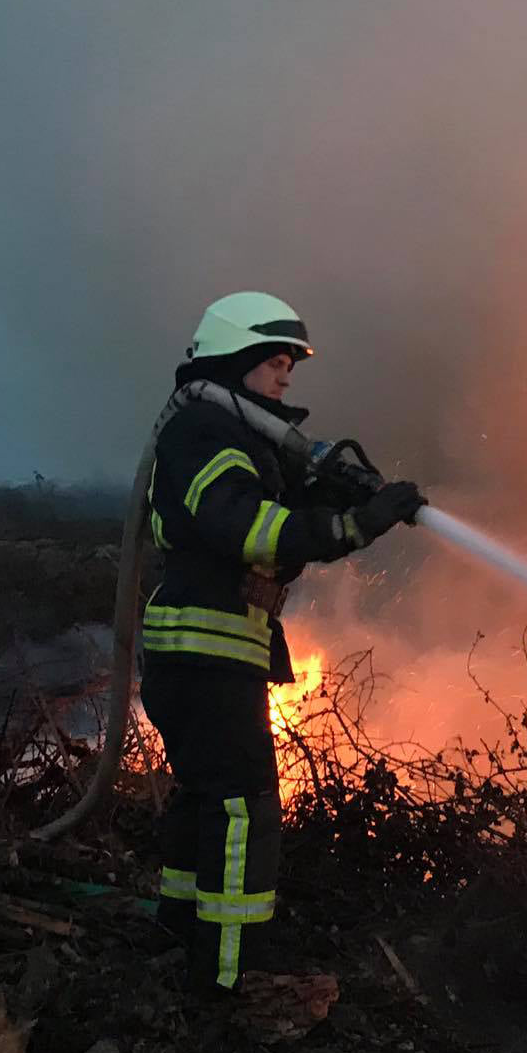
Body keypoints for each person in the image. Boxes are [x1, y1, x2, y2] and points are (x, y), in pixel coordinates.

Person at [140, 290, 424, 994]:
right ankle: (228, 975)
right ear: (234, 359)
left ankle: (179, 933)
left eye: (289, 367)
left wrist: (341, 500)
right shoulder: (205, 432)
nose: (285, 378)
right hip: (205, 651)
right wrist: (353, 526)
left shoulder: (229, 437)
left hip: (206, 652)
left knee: (205, 798)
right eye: (275, 363)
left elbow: (279, 515)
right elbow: (249, 528)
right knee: (243, 808)